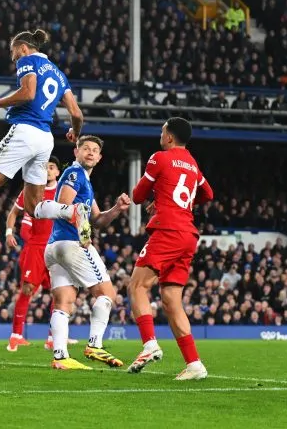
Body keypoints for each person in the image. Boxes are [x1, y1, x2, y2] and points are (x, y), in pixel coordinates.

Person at [0, 29, 86, 270]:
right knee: (34, 208)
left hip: (25, 130)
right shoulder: (58, 73)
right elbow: (76, 113)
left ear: (23, 47)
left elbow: (28, 92)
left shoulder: (27, 60)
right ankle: (71, 212)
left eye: (13, 53)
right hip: (46, 138)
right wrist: (75, 133)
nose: (14, 59)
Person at [127, 117, 214, 381]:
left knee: (137, 287)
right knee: (171, 299)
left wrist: (156, 200)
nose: (160, 135)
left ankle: (149, 344)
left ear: (169, 137)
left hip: (168, 231)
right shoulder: (192, 164)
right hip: (188, 234)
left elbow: (137, 196)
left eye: (162, 131)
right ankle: (194, 364)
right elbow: (207, 194)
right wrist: (182, 206)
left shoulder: (159, 158)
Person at [43, 136, 129, 370]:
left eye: (95, 150)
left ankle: (60, 356)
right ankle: (95, 344)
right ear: (76, 152)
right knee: (107, 295)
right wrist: (81, 226)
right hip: (72, 244)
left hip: (54, 247)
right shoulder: (75, 173)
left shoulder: (85, 181)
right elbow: (63, 205)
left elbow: (98, 220)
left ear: (100, 158)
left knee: (64, 301)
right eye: (86, 149)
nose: (90, 153)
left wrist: (117, 209)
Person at [4, 156, 61, 352]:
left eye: (51, 167)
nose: (47, 171)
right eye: (45, 167)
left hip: (57, 247)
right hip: (36, 248)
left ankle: (53, 338)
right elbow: (13, 213)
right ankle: (16, 335)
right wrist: (9, 232)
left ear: (57, 172)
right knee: (27, 289)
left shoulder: (64, 191)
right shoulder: (32, 190)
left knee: (58, 292)